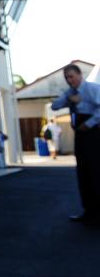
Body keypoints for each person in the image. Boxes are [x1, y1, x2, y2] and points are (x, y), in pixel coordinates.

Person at [50, 63, 100, 224]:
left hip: (93, 133)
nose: (69, 80)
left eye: (71, 76)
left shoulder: (92, 89)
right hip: (80, 134)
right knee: (83, 171)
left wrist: (89, 122)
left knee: (95, 171)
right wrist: (70, 99)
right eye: (66, 77)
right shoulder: (70, 93)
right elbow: (55, 105)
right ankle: (89, 211)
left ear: (79, 74)